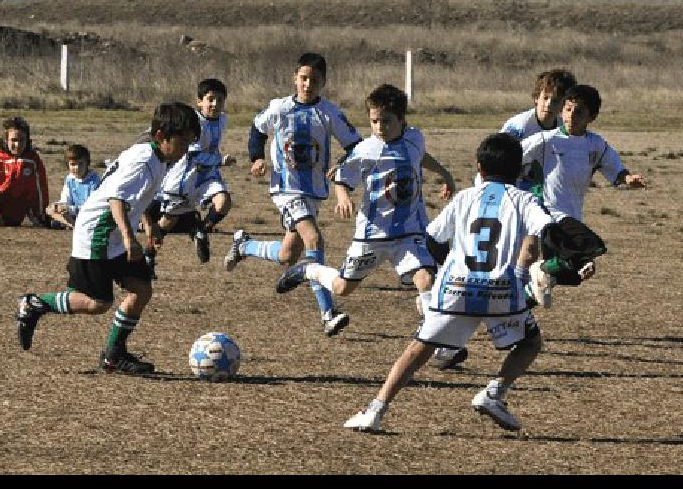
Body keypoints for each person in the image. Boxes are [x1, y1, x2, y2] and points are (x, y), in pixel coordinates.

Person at [342, 132, 555, 433]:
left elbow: (433, 239)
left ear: (479, 167)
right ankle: (494, 394)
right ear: (518, 170)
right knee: (530, 343)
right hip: (501, 291)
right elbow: (544, 232)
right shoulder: (524, 199)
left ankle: (374, 411)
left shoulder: (466, 196)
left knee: (418, 349)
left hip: (456, 287)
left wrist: (447, 263)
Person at [14, 102, 199, 375]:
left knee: (141, 290)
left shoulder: (158, 158)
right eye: (183, 141)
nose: (186, 147)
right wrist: (128, 237)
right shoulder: (144, 161)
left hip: (116, 233)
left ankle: (114, 355)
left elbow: (138, 196)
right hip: (97, 234)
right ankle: (34, 304)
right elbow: (116, 199)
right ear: (161, 136)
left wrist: (149, 225)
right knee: (96, 303)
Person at [275, 84, 455, 330]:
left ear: (402, 119)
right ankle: (311, 270)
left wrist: (444, 172)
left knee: (426, 279)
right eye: (374, 121)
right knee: (342, 288)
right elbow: (341, 178)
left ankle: (433, 334)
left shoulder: (414, 138)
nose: (379, 127)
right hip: (372, 236)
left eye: (386, 121)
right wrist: (343, 197)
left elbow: (420, 155)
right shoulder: (366, 150)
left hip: (408, 233)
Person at [435, 68, 578, 369]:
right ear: (536, 97)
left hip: (528, 202)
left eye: (556, 101)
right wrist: (481, 197)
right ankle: (451, 331)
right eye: (544, 98)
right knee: (494, 274)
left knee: (528, 260)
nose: (548, 105)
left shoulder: (561, 132)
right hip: (502, 202)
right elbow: (493, 160)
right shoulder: (517, 127)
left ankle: (516, 304)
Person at [223, 52, 362, 336]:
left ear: (324, 82)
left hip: (313, 191)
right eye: (303, 78)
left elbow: (355, 145)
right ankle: (328, 313)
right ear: (294, 78)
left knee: (289, 255)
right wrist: (256, 158)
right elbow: (257, 129)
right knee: (314, 238)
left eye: (314, 80)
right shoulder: (279, 108)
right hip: (286, 189)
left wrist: (343, 166)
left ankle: (244, 245)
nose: (307, 85)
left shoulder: (329, 113)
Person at [520, 84, 646, 290]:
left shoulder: (596, 145)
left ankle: (523, 302)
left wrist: (627, 178)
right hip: (549, 214)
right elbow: (513, 155)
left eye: (579, 111)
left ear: (592, 117)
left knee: (570, 275)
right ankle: (541, 269)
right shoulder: (546, 140)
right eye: (568, 110)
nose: (572, 116)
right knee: (592, 245)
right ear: (562, 110)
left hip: (572, 215)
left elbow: (616, 169)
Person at [146, 78, 234, 263]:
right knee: (167, 223)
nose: (215, 104)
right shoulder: (193, 123)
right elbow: (193, 153)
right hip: (186, 177)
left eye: (220, 100)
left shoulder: (223, 119)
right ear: (199, 101)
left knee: (223, 202)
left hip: (208, 175)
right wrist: (220, 160)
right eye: (210, 99)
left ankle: (201, 230)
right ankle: (148, 255)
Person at [45, 144, 101, 230]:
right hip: (71, 213)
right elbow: (65, 199)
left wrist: (69, 208)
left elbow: (92, 206)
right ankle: (73, 225)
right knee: (50, 209)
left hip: (88, 212)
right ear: (68, 165)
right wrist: (59, 206)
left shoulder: (94, 180)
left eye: (80, 164)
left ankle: (72, 225)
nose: (77, 167)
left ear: (87, 163)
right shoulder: (70, 179)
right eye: (73, 164)